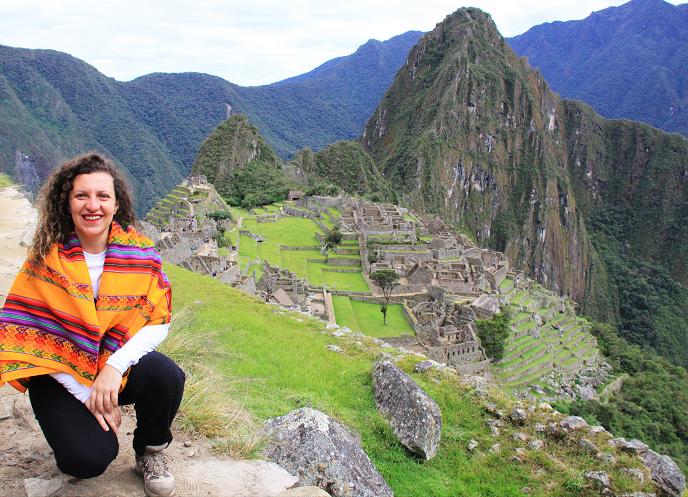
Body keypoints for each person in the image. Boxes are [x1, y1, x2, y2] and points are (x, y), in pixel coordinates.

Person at [0, 152, 185, 497]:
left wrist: (113, 368)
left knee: (166, 376)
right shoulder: (46, 260)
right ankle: (70, 429)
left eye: (103, 196)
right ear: (67, 202)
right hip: (56, 375)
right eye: (82, 195)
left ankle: (150, 451)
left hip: (110, 368)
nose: (93, 205)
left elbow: (158, 321)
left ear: (116, 204)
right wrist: (88, 394)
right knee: (86, 461)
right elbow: (26, 336)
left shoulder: (140, 256)